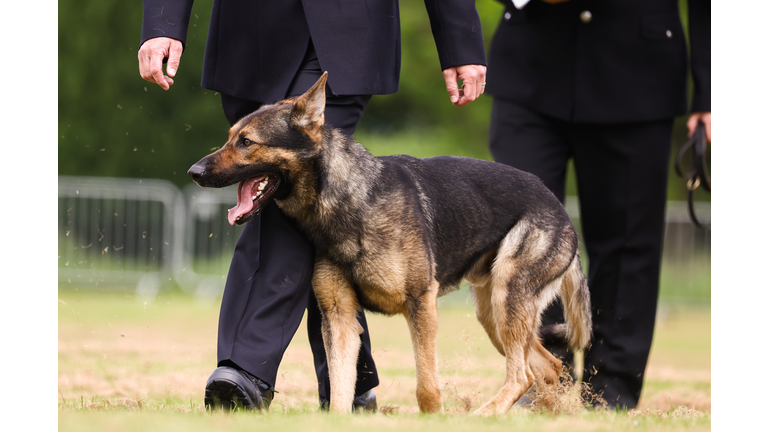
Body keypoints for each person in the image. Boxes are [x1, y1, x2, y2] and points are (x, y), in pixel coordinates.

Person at [137, 0, 487, 412]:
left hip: (350, 32)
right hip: (249, 38)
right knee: (313, 212)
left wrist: (458, 37)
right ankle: (353, 383)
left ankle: (246, 368)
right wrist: (162, 21)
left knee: (292, 193)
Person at [485, 0, 710, 409]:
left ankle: (611, 391)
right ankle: (539, 382)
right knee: (524, 238)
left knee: (628, 241)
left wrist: (711, 90)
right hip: (530, 64)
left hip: (639, 71)